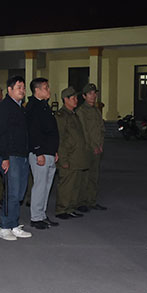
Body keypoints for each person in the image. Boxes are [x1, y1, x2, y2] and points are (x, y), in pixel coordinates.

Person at [0, 76, 33, 242]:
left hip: (22, 155)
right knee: (12, 192)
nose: (22, 90)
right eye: (19, 87)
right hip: (10, 156)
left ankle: (14, 224)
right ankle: (5, 226)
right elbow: (1, 134)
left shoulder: (20, 108)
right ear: (9, 90)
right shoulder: (4, 108)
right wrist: (4, 157)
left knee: (20, 192)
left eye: (23, 87)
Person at [25, 77, 59, 230]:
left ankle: (42, 214)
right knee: (40, 185)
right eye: (46, 88)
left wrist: (54, 151)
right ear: (37, 90)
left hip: (49, 152)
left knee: (46, 186)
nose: (48, 90)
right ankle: (36, 217)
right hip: (40, 153)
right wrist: (38, 151)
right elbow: (33, 132)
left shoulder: (44, 106)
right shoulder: (33, 107)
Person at [53, 87, 91, 220]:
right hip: (69, 157)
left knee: (75, 185)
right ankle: (62, 209)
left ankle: (70, 208)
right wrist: (63, 159)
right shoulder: (61, 116)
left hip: (77, 157)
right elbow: (60, 138)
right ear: (66, 100)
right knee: (66, 185)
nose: (76, 100)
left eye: (76, 97)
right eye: (73, 98)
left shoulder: (73, 115)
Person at [77, 83, 107, 211]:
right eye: (90, 94)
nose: (93, 96)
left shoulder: (96, 110)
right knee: (85, 177)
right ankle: (81, 202)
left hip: (97, 149)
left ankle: (91, 201)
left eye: (95, 93)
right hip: (87, 149)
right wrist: (93, 146)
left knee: (94, 176)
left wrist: (100, 145)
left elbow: (101, 130)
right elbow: (84, 132)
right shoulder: (81, 111)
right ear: (84, 96)